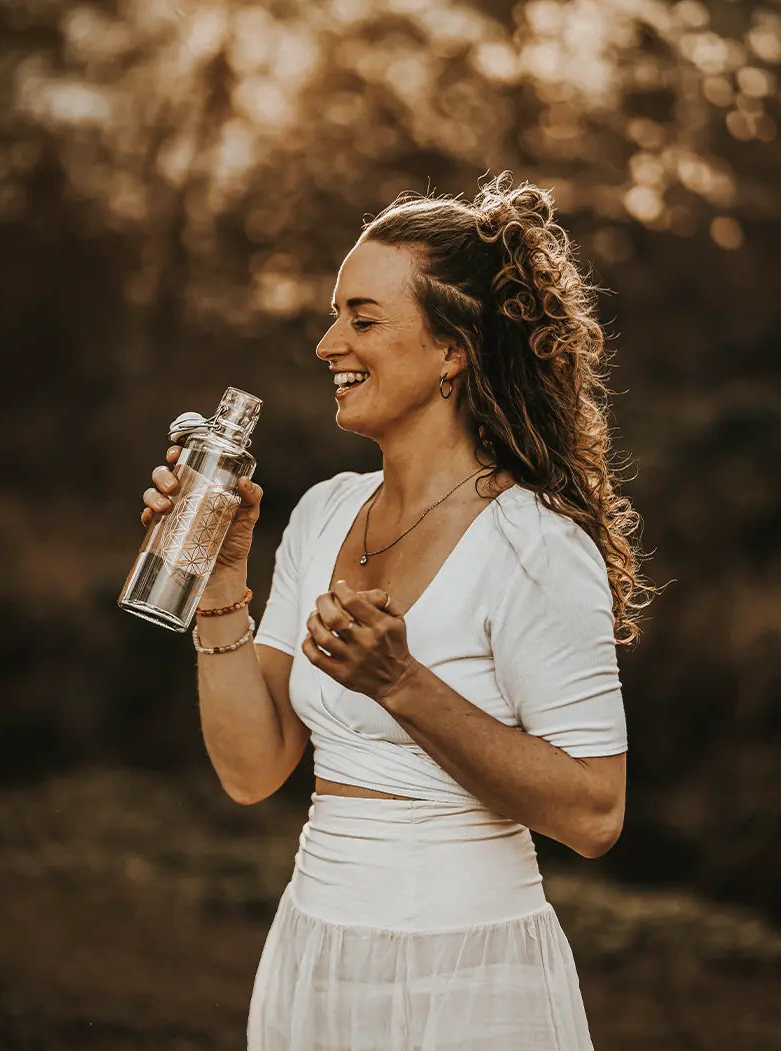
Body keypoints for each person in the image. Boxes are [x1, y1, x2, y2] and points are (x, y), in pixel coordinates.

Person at [142, 172, 653, 1049]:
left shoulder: (532, 542)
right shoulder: (324, 513)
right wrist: (221, 575)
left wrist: (402, 682)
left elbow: (595, 812)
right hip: (315, 953)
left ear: (453, 349)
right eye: (336, 314)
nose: (327, 342)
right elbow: (252, 769)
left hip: (471, 974)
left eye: (362, 318)